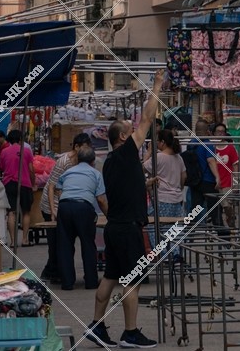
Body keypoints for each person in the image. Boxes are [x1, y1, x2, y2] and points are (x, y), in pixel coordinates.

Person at [86, 70, 164, 349]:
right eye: (131, 132)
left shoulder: (109, 161)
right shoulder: (127, 150)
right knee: (132, 281)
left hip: (114, 228)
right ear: (122, 137)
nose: (137, 133)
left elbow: (123, 189)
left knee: (110, 277)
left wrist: (146, 183)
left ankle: (96, 326)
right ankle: (130, 333)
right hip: (129, 229)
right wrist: (156, 85)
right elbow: (146, 119)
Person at [53, 145, 107, 290]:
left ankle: (67, 282)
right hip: (84, 208)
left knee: (65, 246)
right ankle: (91, 282)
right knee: (88, 245)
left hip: (64, 207)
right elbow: (101, 200)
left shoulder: (68, 172)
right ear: (93, 161)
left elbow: (58, 189)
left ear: (77, 160)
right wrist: (109, 216)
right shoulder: (96, 174)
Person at [40, 133, 93, 282]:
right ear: (76, 147)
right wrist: (52, 211)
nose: (86, 151)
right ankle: (51, 271)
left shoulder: (83, 162)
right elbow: (51, 187)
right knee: (55, 242)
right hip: (52, 203)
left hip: (66, 202)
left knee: (63, 241)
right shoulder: (63, 162)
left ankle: (56, 271)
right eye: (84, 148)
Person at [0, 128, 36, 248]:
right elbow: (31, 170)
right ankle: (25, 240)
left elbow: (2, 168)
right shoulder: (26, 151)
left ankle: (12, 242)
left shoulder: (4, 152)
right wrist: (33, 182)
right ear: (20, 140)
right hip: (24, 183)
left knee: (11, 212)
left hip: (9, 183)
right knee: (26, 212)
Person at [188, 119, 222, 228]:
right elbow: (211, 161)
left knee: (194, 210)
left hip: (195, 182)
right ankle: (223, 238)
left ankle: (189, 237)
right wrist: (217, 177)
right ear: (207, 130)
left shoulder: (191, 143)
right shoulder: (208, 143)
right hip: (208, 181)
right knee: (215, 210)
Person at [213, 124, 239, 230]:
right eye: (218, 131)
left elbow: (235, 166)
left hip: (228, 182)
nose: (220, 133)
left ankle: (231, 220)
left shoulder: (231, 148)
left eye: (222, 131)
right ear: (214, 133)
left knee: (227, 205)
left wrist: (236, 182)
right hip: (215, 183)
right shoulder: (211, 147)